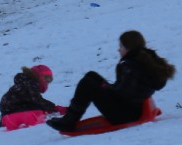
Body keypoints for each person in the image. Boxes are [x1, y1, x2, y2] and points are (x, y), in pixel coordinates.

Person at [46, 30, 174, 132]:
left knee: (87, 84)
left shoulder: (132, 66)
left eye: (121, 46)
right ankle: (70, 118)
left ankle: (68, 122)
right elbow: (129, 91)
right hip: (133, 108)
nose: (119, 50)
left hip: (126, 115)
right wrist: (107, 87)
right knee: (92, 76)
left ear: (128, 48)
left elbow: (125, 94)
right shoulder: (143, 60)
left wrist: (107, 89)